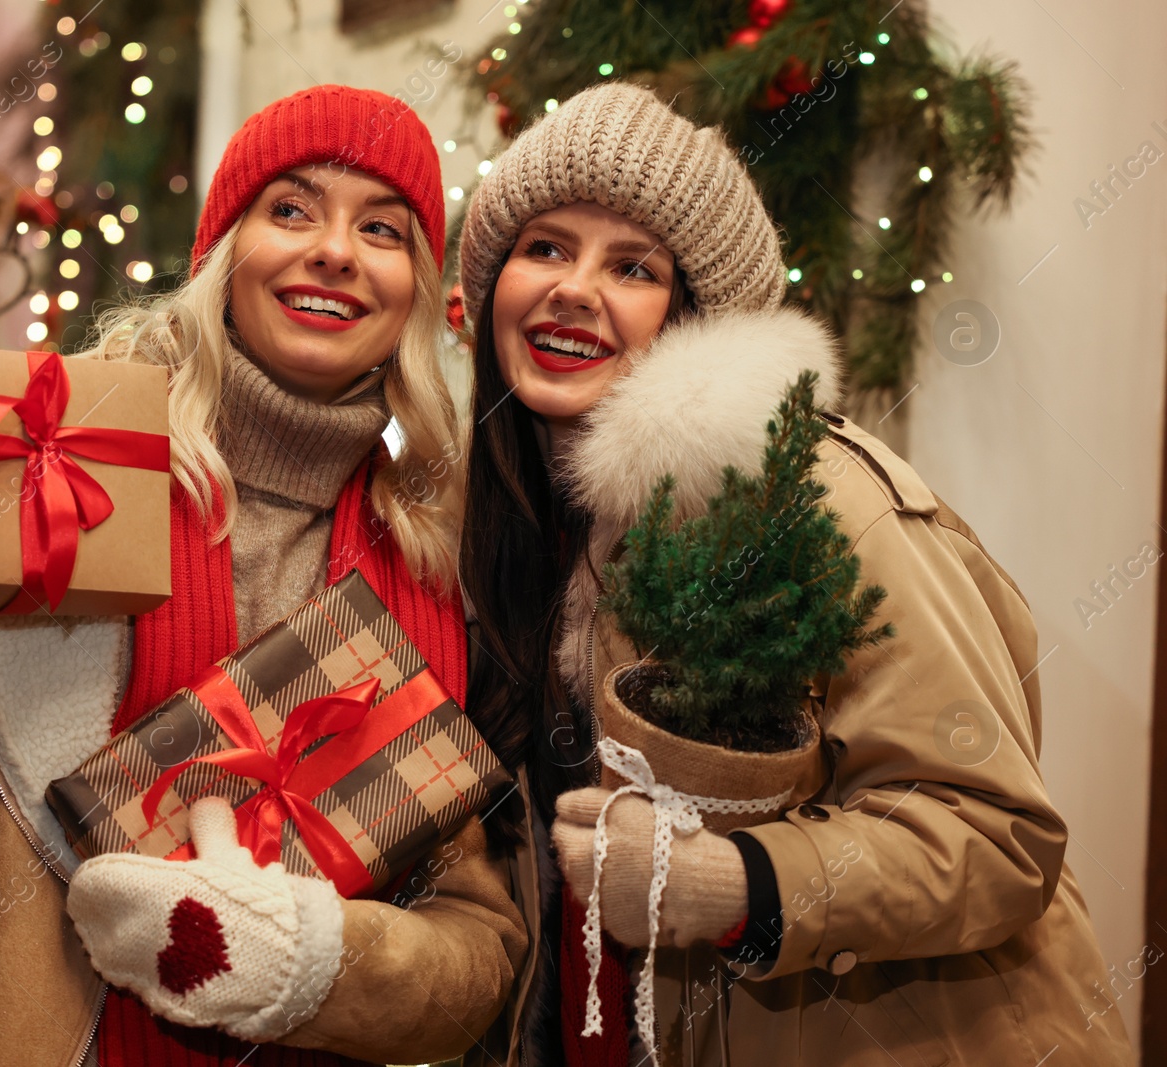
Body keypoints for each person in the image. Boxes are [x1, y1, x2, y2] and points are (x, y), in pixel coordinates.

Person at [0, 85, 524, 1067]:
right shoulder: (56, 479)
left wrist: (308, 958)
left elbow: (471, 950)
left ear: (414, 291)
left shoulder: (430, 568)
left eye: (382, 229)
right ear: (223, 253)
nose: (335, 251)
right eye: (292, 208)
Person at [456, 82, 1134, 1066]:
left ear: (692, 315)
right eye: (545, 247)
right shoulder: (522, 530)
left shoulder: (815, 498)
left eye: (632, 265)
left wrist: (738, 884)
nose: (572, 287)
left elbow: (998, 836)